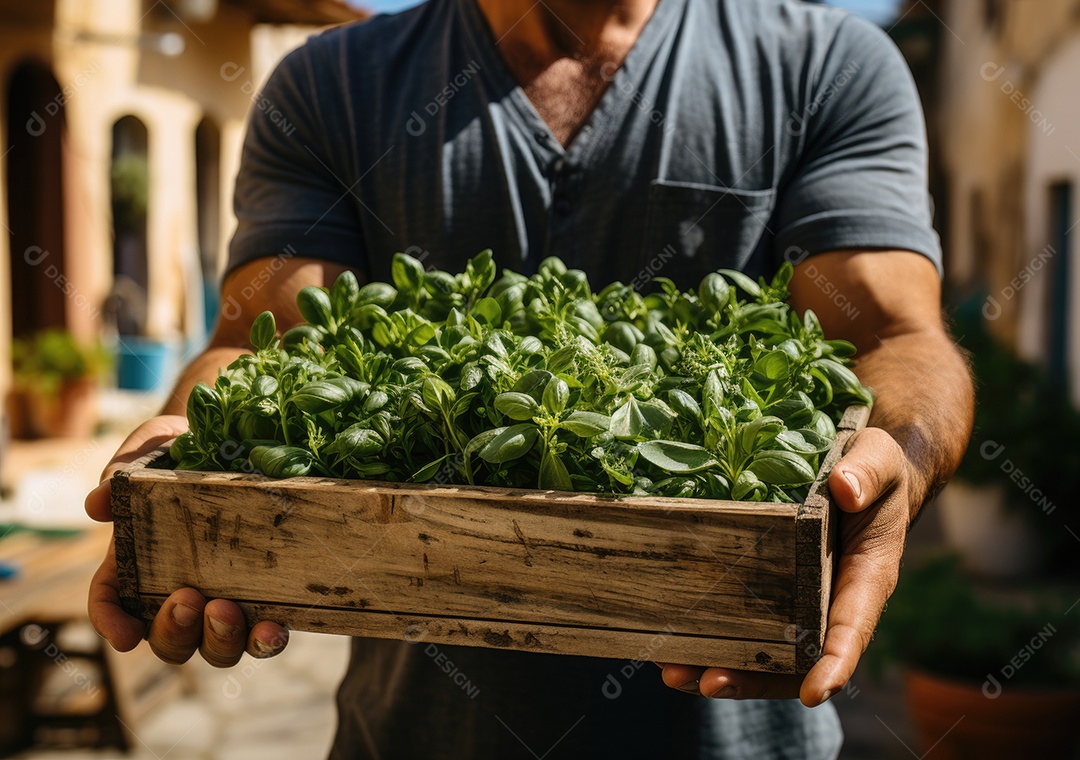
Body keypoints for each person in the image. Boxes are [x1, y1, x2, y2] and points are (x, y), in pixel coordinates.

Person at [85, 0, 974, 756]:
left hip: (737, 731)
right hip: (414, 729)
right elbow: (255, 342)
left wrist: (897, 457)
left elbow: (895, 332)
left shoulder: (824, 63)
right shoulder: (331, 84)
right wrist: (186, 461)